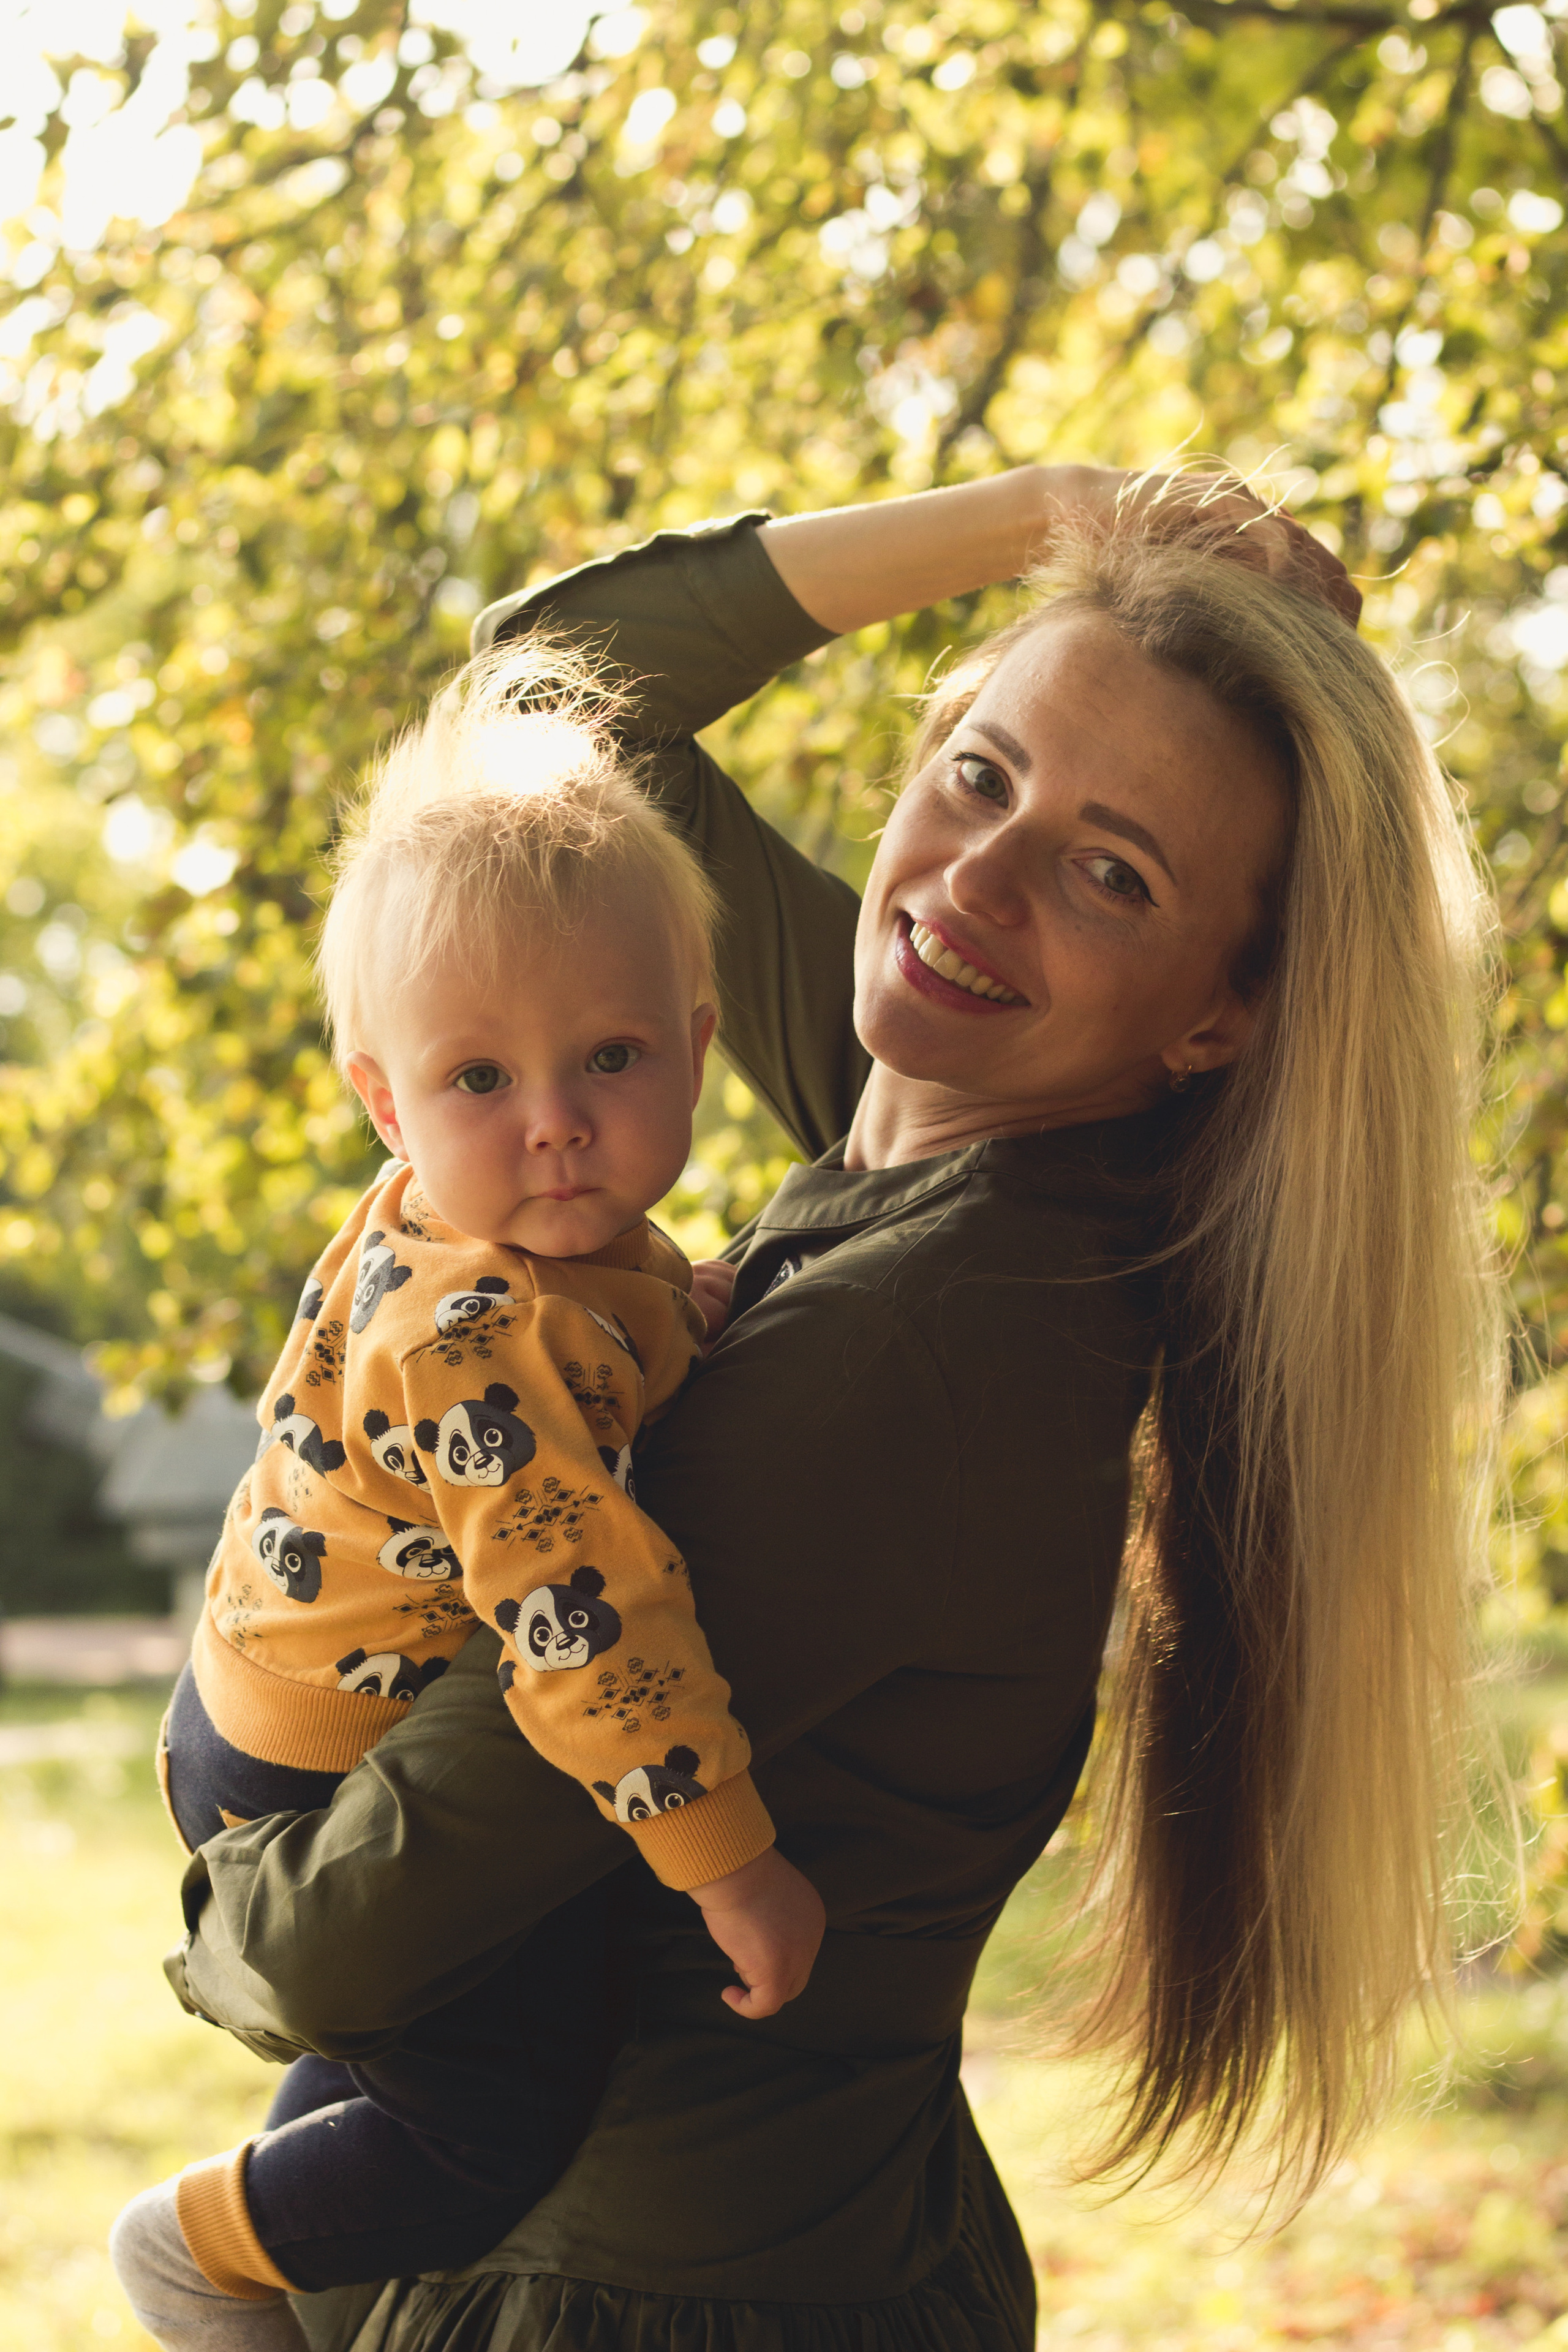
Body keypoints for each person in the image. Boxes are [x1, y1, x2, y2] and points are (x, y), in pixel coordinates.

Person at [157, 464, 1506, 2352]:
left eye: (1109, 873)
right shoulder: (933, 1110)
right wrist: (1075, 509)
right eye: (981, 772)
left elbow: (330, 1941)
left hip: (643, 2299)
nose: (974, 883)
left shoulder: (915, 1343)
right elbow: (552, 687)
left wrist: (224, 1856)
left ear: (1217, 1013)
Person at [110, 655, 824, 2352]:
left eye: (610, 1058)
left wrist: (688, 1311)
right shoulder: (471, 1337)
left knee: (429, 2043)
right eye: (482, 1084)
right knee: (496, 2112)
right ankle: (201, 2248)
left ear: (698, 1048)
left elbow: (616, 1304)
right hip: (310, 1752)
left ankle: (300, 2205)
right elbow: (590, 1625)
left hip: (265, 1688)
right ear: (388, 1099)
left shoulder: (511, 1234)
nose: (560, 1126)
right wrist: (728, 1863)